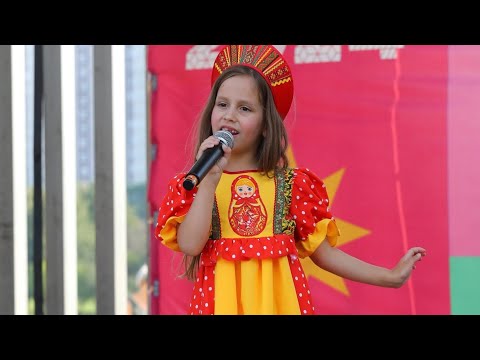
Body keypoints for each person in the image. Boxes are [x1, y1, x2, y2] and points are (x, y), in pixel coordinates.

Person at [154, 45, 426, 315]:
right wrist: (209, 182)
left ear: (265, 125)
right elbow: (190, 244)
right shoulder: (196, 183)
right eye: (222, 104)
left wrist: (388, 277)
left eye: (245, 108)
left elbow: (325, 255)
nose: (229, 115)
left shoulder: (290, 185)